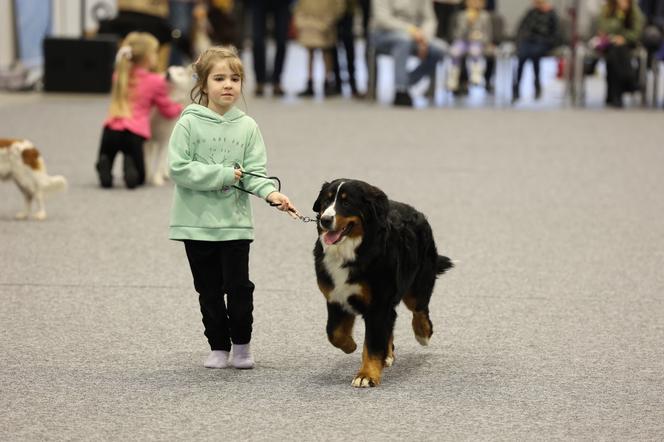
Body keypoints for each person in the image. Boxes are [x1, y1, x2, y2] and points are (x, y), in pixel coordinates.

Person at [168, 46, 298, 369]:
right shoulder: (188, 123)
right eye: (219, 78)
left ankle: (241, 345)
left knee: (239, 288)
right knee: (209, 291)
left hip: (235, 223)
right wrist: (224, 174)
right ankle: (218, 346)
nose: (228, 85)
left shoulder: (248, 127)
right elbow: (178, 168)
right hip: (195, 224)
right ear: (203, 84)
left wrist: (271, 194)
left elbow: (254, 173)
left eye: (235, 78)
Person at [95, 32, 183, 189]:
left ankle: (105, 166)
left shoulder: (118, 76)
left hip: (109, 129)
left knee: (106, 155)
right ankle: (130, 165)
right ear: (148, 57)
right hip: (134, 134)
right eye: (155, 53)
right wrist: (180, 107)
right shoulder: (155, 81)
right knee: (140, 177)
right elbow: (166, 110)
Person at [371, 0, 446, 107]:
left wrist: (424, 38)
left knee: (440, 49)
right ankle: (401, 90)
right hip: (384, 34)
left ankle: (405, 82)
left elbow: (429, 19)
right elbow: (382, 19)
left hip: (417, 36)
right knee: (403, 40)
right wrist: (410, 30)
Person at [591, 0, 645, 107]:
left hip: (628, 43)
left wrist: (624, 37)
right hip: (608, 43)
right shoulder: (606, 9)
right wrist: (619, 16)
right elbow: (602, 28)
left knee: (617, 52)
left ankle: (615, 95)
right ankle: (629, 80)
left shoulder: (634, 10)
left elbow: (637, 31)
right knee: (615, 51)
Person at [294, 0, 346, 98]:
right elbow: (299, 8)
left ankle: (327, 81)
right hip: (308, 24)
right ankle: (310, 81)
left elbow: (339, 7)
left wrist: (328, 21)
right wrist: (301, 21)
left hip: (326, 24)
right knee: (310, 52)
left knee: (326, 52)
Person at [512, 0, 560, 102]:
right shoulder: (531, 12)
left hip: (543, 41)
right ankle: (516, 87)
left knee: (535, 55)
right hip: (528, 41)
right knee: (522, 56)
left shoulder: (552, 14)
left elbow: (555, 34)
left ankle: (537, 85)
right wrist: (520, 40)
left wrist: (548, 42)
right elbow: (522, 28)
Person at [446, 0, 492, 92]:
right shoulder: (462, 15)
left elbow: (488, 35)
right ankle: (453, 78)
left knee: (475, 50)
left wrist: (479, 37)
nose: (475, 3)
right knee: (455, 51)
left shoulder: (485, 16)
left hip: (478, 42)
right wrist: (468, 23)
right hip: (463, 41)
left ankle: (475, 75)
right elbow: (457, 34)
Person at [251, 0, 294, 97]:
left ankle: (277, 81)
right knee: (257, 41)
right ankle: (259, 81)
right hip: (258, 3)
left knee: (282, 41)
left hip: (282, 3)